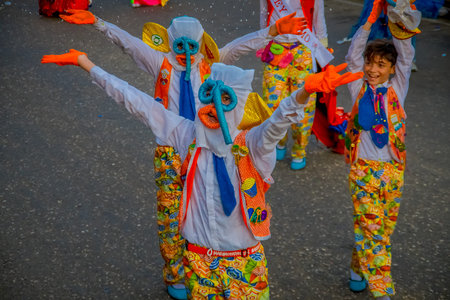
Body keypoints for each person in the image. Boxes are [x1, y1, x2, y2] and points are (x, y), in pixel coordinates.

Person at [41, 48, 362, 298]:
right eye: (210, 95)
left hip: (245, 263)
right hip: (197, 264)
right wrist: (87, 64)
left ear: (238, 106)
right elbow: (135, 100)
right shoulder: (184, 135)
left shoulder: (252, 145)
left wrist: (304, 91)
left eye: (225, 99)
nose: (215, 107)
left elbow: (279, 120)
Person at [343, 0, 419, 298]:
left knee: (381, 229)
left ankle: (357, 268)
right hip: (362, 169)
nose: (373, 69)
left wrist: (399, 22)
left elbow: (406, 54)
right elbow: (351, 57)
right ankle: (381, 289)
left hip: (393, 170)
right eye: (370, 62)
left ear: (391, 69)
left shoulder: (398, 88)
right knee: (373, 229)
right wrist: (369, 21)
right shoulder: (357, 87)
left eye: (381, 65)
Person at [259, 0, 330, 170]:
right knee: (272, 102)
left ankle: (299, 149)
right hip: (276, 48)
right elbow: (264, 13)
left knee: (304, 105)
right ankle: (279, 140)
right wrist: (262, 40)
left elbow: (318, 17)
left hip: (303, 49)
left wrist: (322, 48)